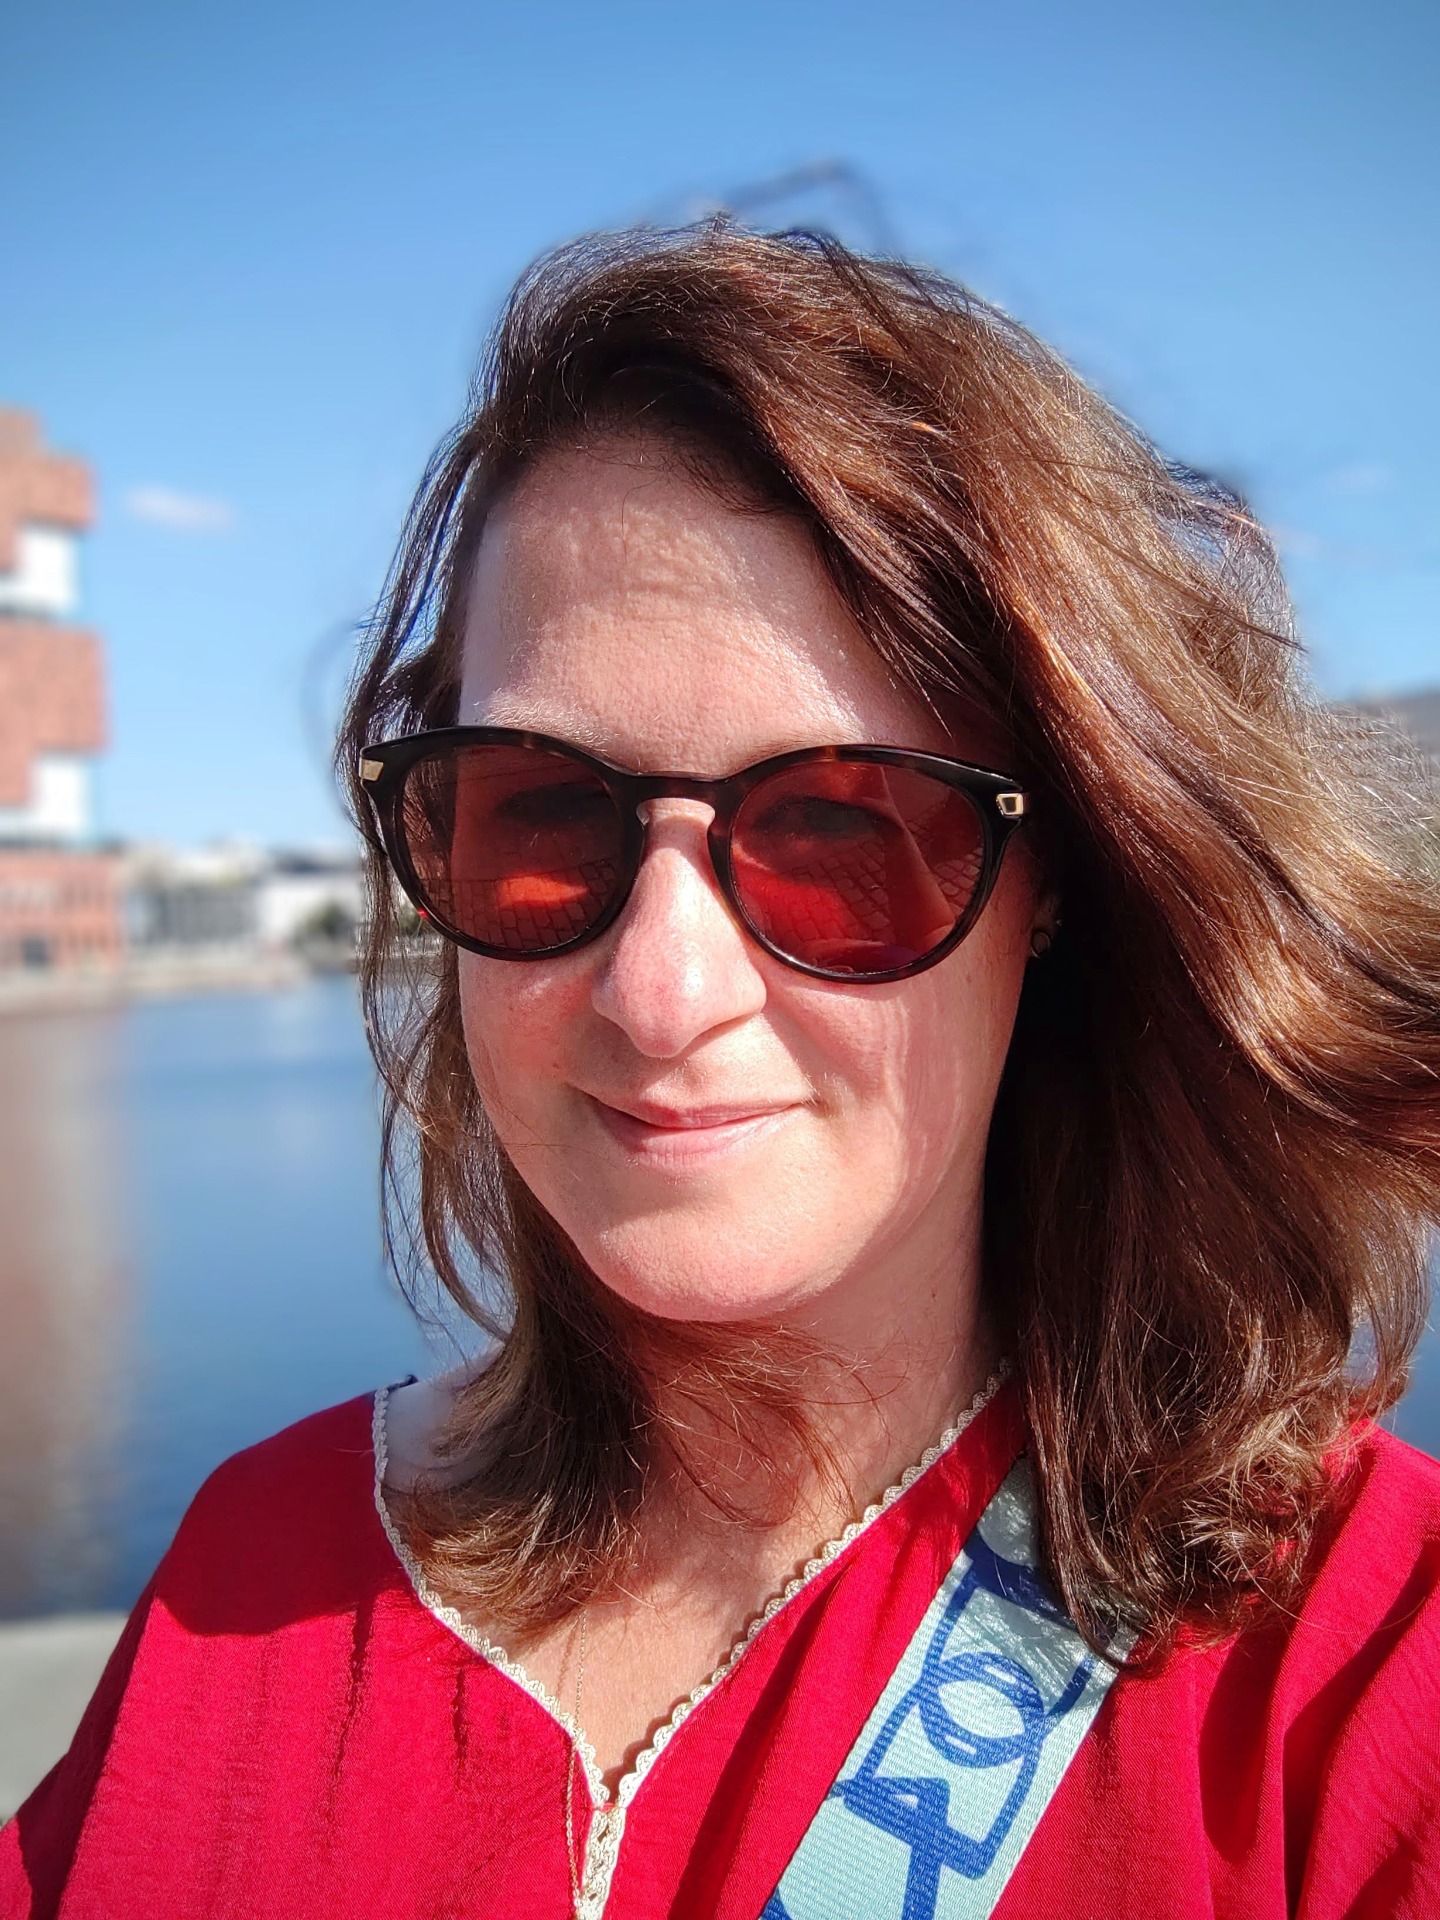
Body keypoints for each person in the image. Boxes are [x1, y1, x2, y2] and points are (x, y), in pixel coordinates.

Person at [4, 225, 1439, 1920]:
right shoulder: (253, 1571)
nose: (660, 991)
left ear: (1058, 878)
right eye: (540, 814)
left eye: (842, 829)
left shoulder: (1356, 1669)